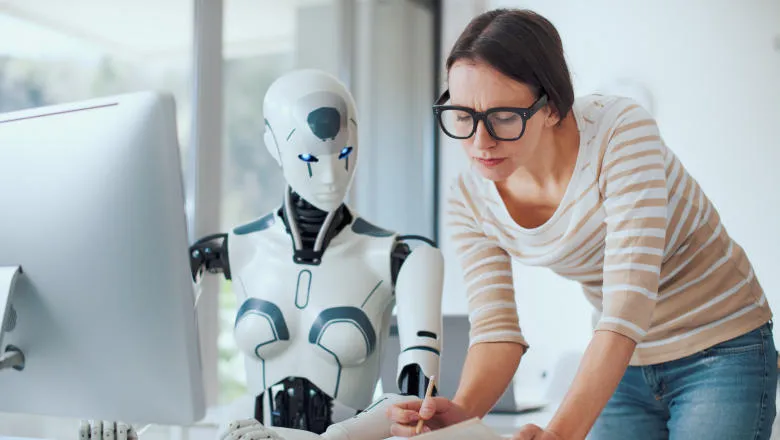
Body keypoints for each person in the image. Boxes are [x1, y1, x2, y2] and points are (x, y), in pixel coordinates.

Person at [387, 8, 777, 440]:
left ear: (552, 106)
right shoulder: (471, 195)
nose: (480, 143)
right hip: (625, 366)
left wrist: (560, 433)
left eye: (502, 117)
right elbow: (496, 333)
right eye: (462, 115)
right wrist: (459, 414)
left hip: (720, 346)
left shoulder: (620, 133)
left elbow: (628, 302)